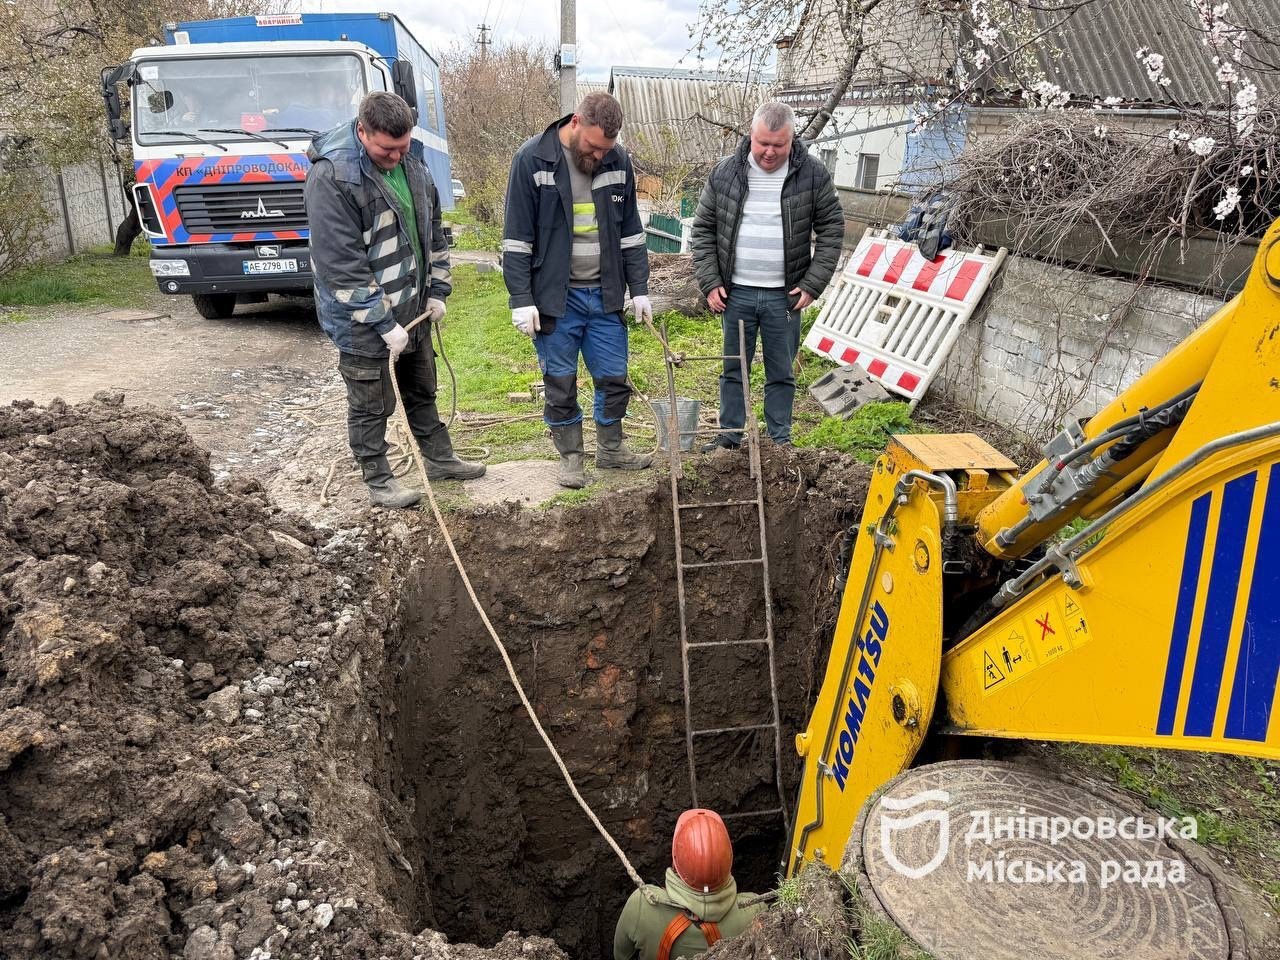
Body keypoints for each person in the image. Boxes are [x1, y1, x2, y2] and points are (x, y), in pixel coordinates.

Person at [304, 91, 484, 508]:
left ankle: (439, 459)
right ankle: (379, 479)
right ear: (363, 130)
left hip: (414, 307)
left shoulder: (413, 164)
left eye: (402, 147)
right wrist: (382, 323)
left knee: (421, 387)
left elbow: (434, 232)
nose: (395, 157)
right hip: (361, 319)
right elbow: (340, 266)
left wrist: (437, 291)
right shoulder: (333, 176)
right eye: (387, 149)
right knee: (372, 402)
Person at [501, 92, 653, 489]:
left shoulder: (618, 161)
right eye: (593, 146)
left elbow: (631, 233)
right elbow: (517, 239)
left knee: (614, 377)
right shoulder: (533, 159)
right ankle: (571, 457)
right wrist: (521, 299)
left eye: (607, 149)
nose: (599, 155)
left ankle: (611, 448)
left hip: (604, 296)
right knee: (561, 383)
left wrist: (639, 288)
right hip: (557, 298)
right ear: (576, 123)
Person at [690, 101, 845, 449]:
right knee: (734, 369)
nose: (770, 152)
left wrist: (813, 284)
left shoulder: (812, 175)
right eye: (763, 143)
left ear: (792, 140)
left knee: (781, 372)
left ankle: (779, 442)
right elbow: (703, 230)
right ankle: (729, 438)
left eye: (779, 145)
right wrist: (710, 281)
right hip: (737, 293)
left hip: (785, 296)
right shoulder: (726, 172)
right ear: (752, 135)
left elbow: (832, 230)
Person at [613, 809, 764, 960]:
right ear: (729, 859)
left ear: (675, 858)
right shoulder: (754, 910)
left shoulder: (642, 905)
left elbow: (620, 956)